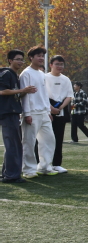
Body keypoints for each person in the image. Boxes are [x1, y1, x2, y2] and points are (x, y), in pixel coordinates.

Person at [0, 50, 37, 183]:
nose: (21, 62)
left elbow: (14, 94)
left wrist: (25, 92)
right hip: (8, 113)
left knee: (13, 144)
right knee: (14, 145)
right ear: (10, 60)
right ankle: (11, 176)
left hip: (12, 112)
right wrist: (23, 90)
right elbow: (2, 91)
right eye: (18, 59)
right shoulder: (6, 73)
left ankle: (7, 173)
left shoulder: (14, 75)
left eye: (22, 59)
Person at [20, 45, 57, 177]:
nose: (41, 58)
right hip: (32, 113)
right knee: (29, 142)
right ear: (31, 57)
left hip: (43, 113)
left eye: (42, 56)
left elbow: (44, 94)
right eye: (38, 56)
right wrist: (27, 114)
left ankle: (45, 167)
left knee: (49, 140)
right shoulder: (26, 74)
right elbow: (24, 95)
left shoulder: (42, 74)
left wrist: (48, 111)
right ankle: (28, 170)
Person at [45, 55, 74, 173]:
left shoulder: (66, 79)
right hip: (46, 112)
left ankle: (56, 164)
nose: (59, 66)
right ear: (51, 65)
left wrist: (60, 107)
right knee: (44, 140)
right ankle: (42, 163)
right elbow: (41, 95)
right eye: (57, 64)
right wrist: (50, 108)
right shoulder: (44, 77)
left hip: (60, 112)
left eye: (61, 64)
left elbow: (69, 96)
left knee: (58, 138)